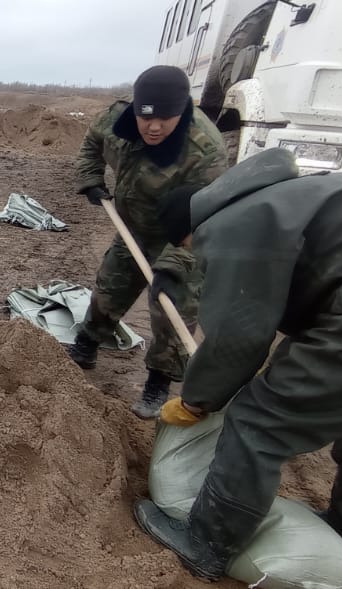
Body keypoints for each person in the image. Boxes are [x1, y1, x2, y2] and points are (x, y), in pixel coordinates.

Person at [134, 148, 342, 581]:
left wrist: (198, 400)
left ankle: (207, 543)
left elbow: (239, 337)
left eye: (188, 250)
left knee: (259, 421)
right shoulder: (291, 195)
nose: (197, 260)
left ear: (189, 232)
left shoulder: (236, 223)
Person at [66, 65, 228, 419]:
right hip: (132, 226)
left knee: (173, 308)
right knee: (110, 286)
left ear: (182, 110)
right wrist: (91, 179)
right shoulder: (117, 120)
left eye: (165, 118)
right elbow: (91, 143)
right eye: (145, 117)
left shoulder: (205, 150)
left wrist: (171, 267)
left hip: (185, 237)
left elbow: (206, 216)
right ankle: (87, 344)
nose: (153, 127)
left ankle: (158, 380)